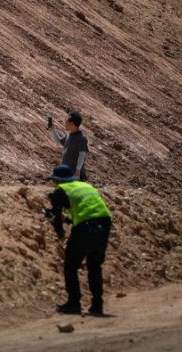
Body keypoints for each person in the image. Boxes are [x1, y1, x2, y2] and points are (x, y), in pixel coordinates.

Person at [45, 164, 113, 316]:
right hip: (104, 223)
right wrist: (69, 219)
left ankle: (73, 303)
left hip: (85, 227)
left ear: (58, 180)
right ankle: (97, 305)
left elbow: (56, 217)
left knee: (71, 265)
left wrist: (60, 232)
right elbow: (86, 208)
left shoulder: (61, 190)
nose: (54, 184)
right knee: (94, 265)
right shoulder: (85, 185)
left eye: (54, 181)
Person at [47, 110, 89, 180]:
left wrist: (78, 171)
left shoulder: (81, 138)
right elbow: (59, 140)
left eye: (67, 122)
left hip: (75, 175)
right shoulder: (68, 136)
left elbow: (82, 155)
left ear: (72, 124)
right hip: (67, 174)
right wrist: (52, 129)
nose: (65, 123)